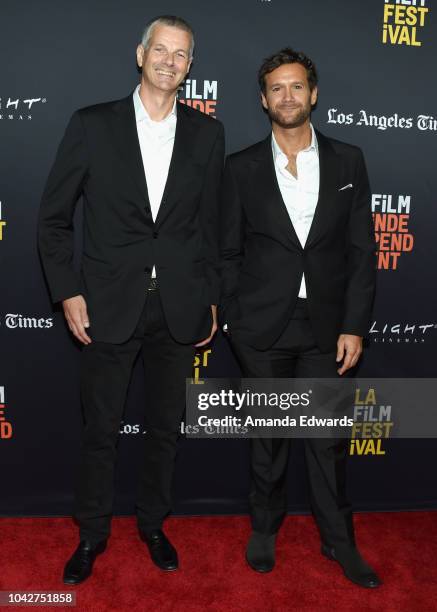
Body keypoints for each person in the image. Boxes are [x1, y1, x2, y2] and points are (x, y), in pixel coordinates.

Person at [38, 15, 224, 583]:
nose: (170, 61)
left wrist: (211, 298)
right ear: (140, 54)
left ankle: (152, 525)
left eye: (182, 54)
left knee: (166, 428)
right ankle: (92, 533)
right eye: (161, 50)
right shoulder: (93, 124)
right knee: (101, 429)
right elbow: (53, 220)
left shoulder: (207, 134)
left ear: (191, 66)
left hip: (178, 306)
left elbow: (214, 226)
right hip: (106, 304)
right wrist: (67, 290)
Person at [220, 48, 380, 588]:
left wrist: (355, 324)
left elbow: (362, 250)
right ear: (264, 100)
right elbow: (226, 252)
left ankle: (338, 538)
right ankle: (264, 529)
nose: (287, 96)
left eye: (297, 86)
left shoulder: (348, 160)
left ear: (313, 94)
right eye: (276, 88)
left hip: (328, 328)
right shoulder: (239, 167)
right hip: (261, 330)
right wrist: (235, 319)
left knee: (328, 440)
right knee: (268, 438)